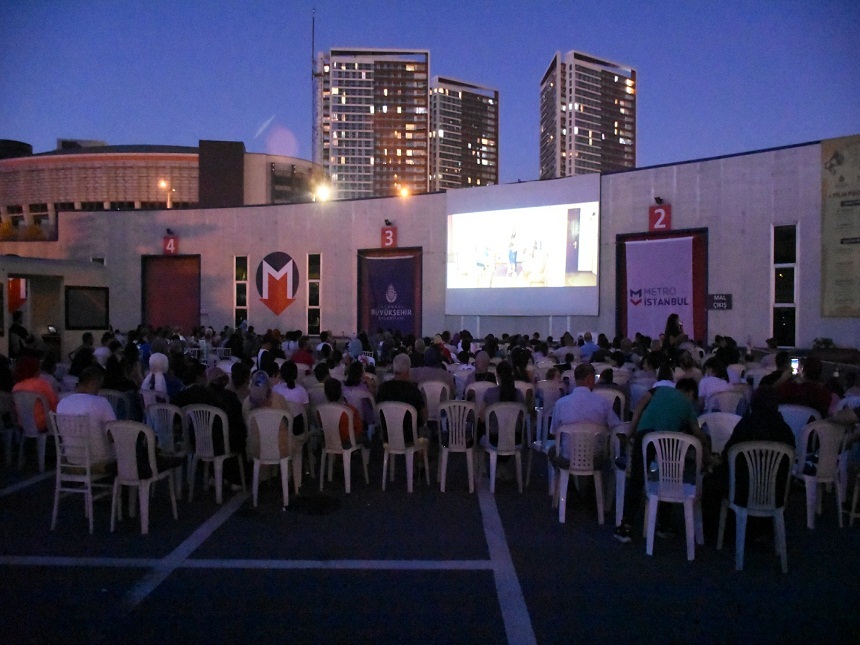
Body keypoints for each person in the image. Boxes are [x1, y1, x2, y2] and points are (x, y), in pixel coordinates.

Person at [615, 378, 711, 543]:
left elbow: (639, 407)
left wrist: (631, 432)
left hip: (644, 433)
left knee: (637, 477)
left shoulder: (659, 390)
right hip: (667, 439)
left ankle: (626, 525)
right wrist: (708, 455)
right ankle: (664, 524)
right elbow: (697, 432)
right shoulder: (688, 406)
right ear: (690, 393)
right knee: (670, 475)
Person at [550, 362, 621, 461]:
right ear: (590, 380)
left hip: (568, 456)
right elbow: (616, 427)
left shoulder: (561, 403)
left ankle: (560, 475)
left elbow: (554, 432)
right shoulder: (603, 402)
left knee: (552, 451)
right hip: (595, 456)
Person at [56, 365, 116, 467]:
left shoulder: (62, 403)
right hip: (99, 459)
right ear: (93, 383)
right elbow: (113, 434)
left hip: (72, 457)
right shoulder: (101, 402)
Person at [376, 353, 426, 444]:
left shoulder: (382, 388)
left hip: (387, 434)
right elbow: (424, 414)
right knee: (426, 434)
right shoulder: (413, 390)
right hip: (410, 436)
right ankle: (417, 456)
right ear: (408, 369)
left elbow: (377, 412)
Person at [12, 355, 59, 433]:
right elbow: (54, 404)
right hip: (42, 425)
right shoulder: (42, 384)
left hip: (23, 424)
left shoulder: (16, 387)